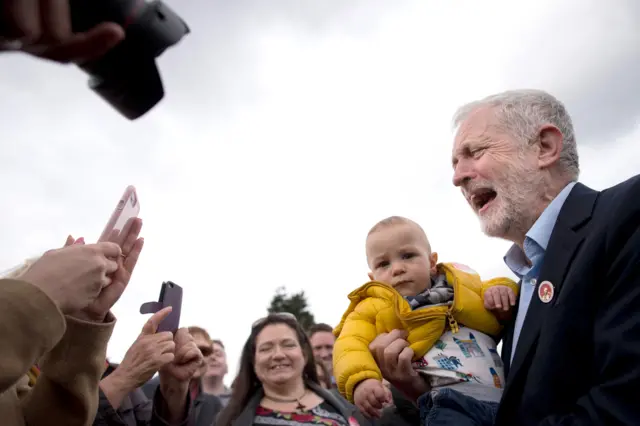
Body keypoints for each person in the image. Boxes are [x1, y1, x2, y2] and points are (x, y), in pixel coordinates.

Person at [372, 89, 640, 425]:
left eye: (475, 152)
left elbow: (624, 403)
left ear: (544, 147)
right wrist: (419, 390)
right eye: (456, 163)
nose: (457, 177)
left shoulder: (630, 213)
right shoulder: (521, 288)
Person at [332, 216, 518, 419]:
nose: (397, 269)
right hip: (448, 402)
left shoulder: (460, 283)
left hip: (505, 397)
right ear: (372, 278)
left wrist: (500, 289)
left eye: (408, 255)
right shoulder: (370, 308)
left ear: (431, 262)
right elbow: (349, 345)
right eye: (383, 264)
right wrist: (361, 380)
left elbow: (489, 286)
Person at [215, 313, 373, 426]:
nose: (278, 354)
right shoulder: (231, 419)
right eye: (266, 348)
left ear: (304, 354)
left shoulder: (346, 405)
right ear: (253, 360)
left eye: (288, 345)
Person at [202, 339, 232, 406]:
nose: (212, 357)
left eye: (218, 354)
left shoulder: (240, 401)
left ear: (227, 368)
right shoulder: (185, 401)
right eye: (207, 354)